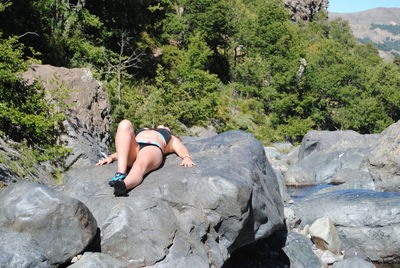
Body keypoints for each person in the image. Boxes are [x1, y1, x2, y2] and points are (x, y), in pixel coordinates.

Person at [96, 119, 195, 196]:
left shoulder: (171, 137)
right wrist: (111, 157)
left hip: (152, 148)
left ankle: (124, 185)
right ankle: (120, 173)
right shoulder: (145, 129)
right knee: (124, 124)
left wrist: (186, 157)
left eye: (166, 127)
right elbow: (124, 145)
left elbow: (180, 147)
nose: (164, 126)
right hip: (136, 147)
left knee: (139, 166)